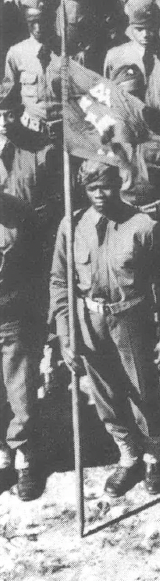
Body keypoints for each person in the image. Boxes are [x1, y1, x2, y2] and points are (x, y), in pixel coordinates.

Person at [49, 156, 160, 497]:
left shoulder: (143, 225)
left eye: (105, 185)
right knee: (104, 392)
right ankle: (129, 455)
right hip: (88, 320)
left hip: (131, 317)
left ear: (119, 183)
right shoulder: (72, 226)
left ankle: (153, 455)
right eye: (92, 188)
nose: (99, 194)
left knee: (142, 390)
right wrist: (66, 334)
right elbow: (60, 282)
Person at [0, 189, 43, 499]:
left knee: (21, 392)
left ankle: (25, 457)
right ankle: (1, 454)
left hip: (14, 316)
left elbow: (38, 267)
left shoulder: (21, 213)